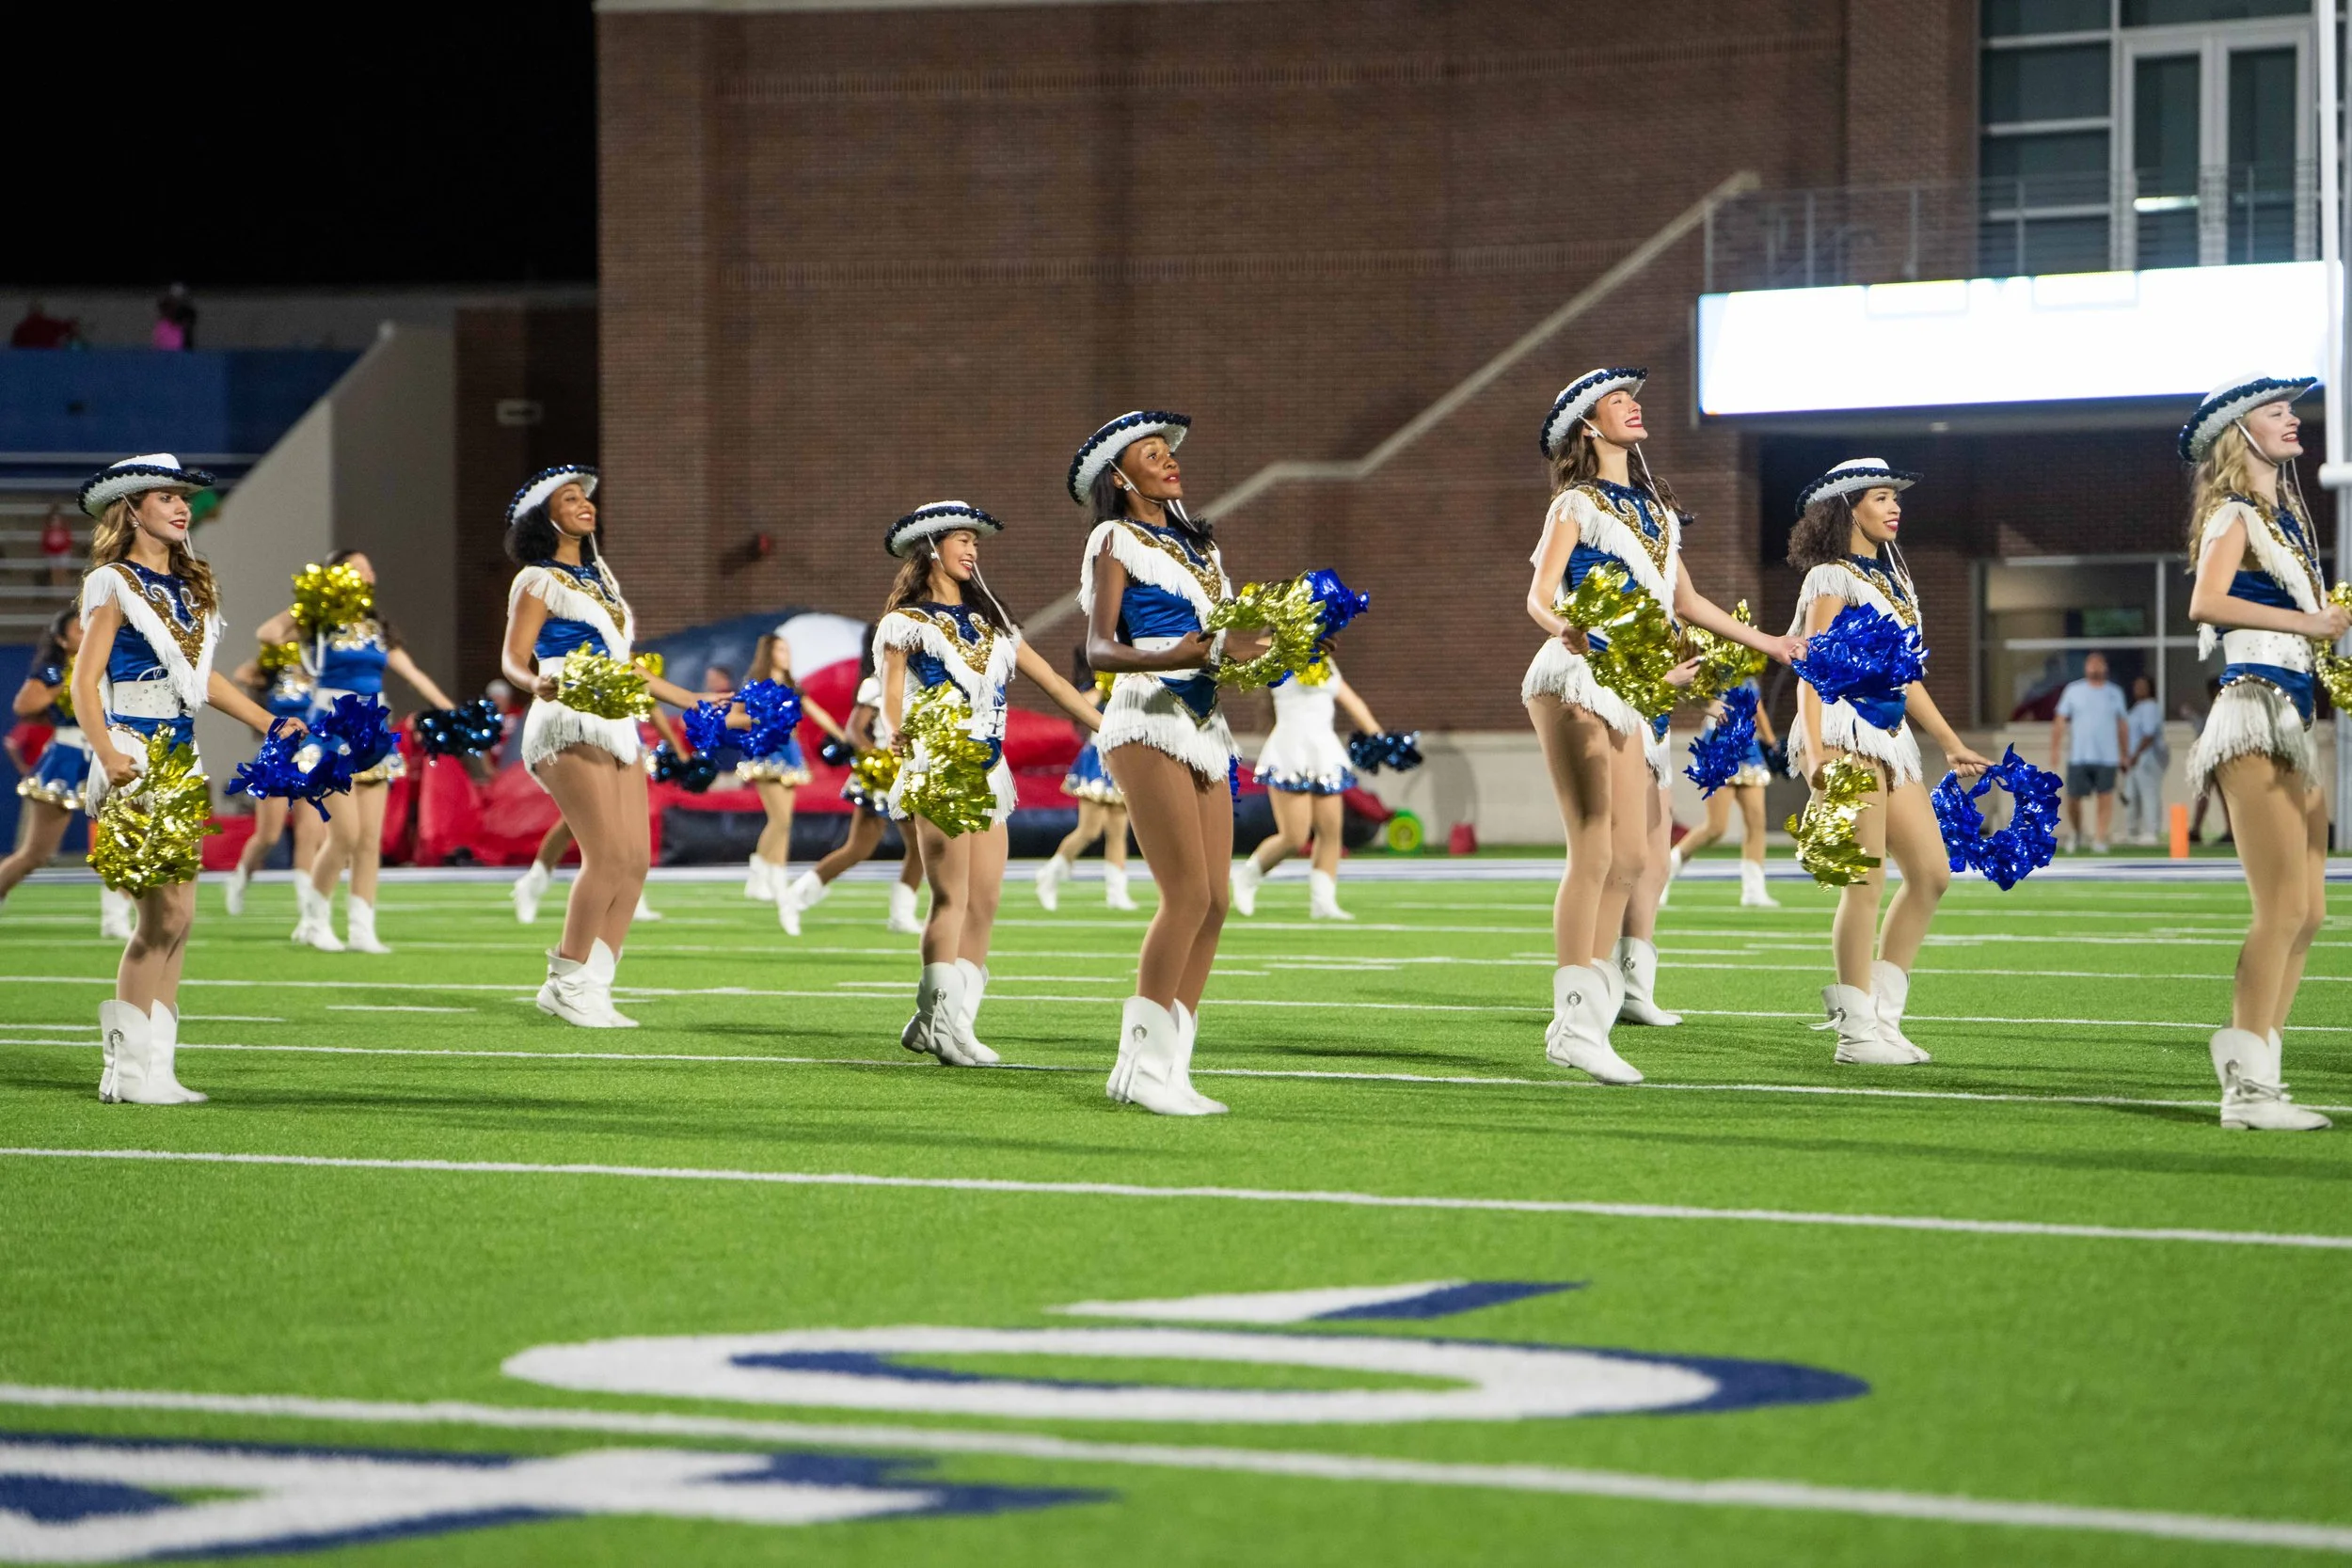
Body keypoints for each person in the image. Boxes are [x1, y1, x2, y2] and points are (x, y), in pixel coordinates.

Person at [1523, 369, 1801, 1085]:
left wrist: (1769, 643)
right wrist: (1565, 629)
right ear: (1589, 425)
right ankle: (1574, 1020)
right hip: (1579, 673)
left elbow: (1688, 602)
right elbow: (1539, 594)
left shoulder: (1656, 511)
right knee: (1595, 849)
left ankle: (1591, 1016)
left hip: (1636, 685)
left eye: (1634, 397)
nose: (1634, 405)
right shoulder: (1576, 503)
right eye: (1618, 400)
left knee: (1633, 858)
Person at [70, 454, 295, 1103]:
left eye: (183, 498)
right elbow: (84, 680)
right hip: (135, 753)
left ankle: (155, 1069)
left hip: (181, 753)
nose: (180, 507)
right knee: (160, 916)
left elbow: (201, 679)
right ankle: (126, 1071)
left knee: (182, 918)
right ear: (131, 508)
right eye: (165, 496)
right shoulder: (113, 581)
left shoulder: (191, 587)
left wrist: (268, 720)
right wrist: (107, 750)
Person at [1073, 410, 1278, 1116]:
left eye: (1170, 452)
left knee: (1216, 900)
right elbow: (1098, 648)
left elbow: (1223, 644)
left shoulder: (1202, 549)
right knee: (1185, 894)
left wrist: (1279, 642)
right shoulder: (1113, 538)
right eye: (1152, 454)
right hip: (1145, 713)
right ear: (1120, 475)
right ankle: (1136, 1065)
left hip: (1204, 720)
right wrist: (1177, 652)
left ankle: (1170, 1065)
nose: (1168, 461)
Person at [877, 502, 1101, 1066]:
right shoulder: (906, 622)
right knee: (951, 898)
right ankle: (939, 1023)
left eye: (975, 541)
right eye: (962, 539)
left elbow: (1053, 681)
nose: (972, 550)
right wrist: (896, 731)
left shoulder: (992, 621)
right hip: (940, 766)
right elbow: (892, 691)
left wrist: (1109, 726)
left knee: (985, 901)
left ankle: (950, 1021)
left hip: (989, 770)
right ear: (932, 548)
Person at [2178, 375, 2344, 1131]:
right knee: (2278, 908)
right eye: (2277, 412)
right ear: (2240, 433)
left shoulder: (2283, 518)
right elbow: (2205, 603)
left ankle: (2264, 1073)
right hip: (2253, 714)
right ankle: (2244, 1091)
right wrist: (2312, 624)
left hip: (2295, 718)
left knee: (2308, 911)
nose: (2293, 419)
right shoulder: (2233, 512)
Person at [501, 465, 721, 1027]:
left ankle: (594, 984)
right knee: (605, 857)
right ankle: (565, 979)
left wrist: (692, 699)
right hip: (568, 715)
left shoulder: (600, 579)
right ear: (544, 517)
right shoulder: (536, 579)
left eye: (586, 498)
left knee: (636, 861)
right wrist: (533, 682)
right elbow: (513, 657)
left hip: (617, 718)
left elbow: (626, 667)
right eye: (569, 498)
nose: (585, 504)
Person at [1787, 460, 1992, 1065]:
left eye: (1895, 497)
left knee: (1931, 873)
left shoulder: (1893, 578)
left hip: (1890, 735)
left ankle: (1882, 1017)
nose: (1895, 506)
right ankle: (1855, 1034)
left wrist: (1950, 742)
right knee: (1865, 880)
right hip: (1843, 729)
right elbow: (1810, 662)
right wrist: (1816, 751)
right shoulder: (1830, 576)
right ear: (1848, 507)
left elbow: (1905, 677)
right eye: (1880, 497)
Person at [259, 550, 459, 954]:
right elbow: (268, 633)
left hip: (373, 731)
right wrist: (313, 601)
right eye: (357, 566)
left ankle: (361, 928)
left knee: (369, 839)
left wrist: (451, 712)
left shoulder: (375, 627)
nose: (368, 571)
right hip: (330, 729)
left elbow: (413, 673)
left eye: (369, 566)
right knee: (345, 835)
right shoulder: (318, 622)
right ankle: (314, 920)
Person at [783, 637, 928, 933]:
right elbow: (854, 730)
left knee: (907, 847)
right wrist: (878, 763)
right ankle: (797, 895)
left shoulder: (922, 681)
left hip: (910, 771)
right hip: (885, 776)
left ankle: (900, 914)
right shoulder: (877, 683)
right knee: (879, 847)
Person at [1231, 660, 1385, 922]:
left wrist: (1380, 739)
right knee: (1295, 837)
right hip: (1291, 751)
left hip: (1323, 751)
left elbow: (1353, 702)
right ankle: (1247, 875)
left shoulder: (1326, 660)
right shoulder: (1281, 652)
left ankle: (1323, 902)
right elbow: (1252, 656)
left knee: (1331, 831)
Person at [741, 631, 848, 935]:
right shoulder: (756, 684)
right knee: (780, 820)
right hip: (767, 751)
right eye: (780, 650)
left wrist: (843, 736)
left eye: (787, 650)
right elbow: (746, 717)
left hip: (790, 753)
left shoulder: (792, 685)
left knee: (785, 823)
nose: (785, 655)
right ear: (768, 653)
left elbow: (816, 713)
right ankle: (758, 873)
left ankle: (776, 879)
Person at [0, 610, 97, 912]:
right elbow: (24, 705)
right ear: (61, 640)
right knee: (36, 854)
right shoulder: (55, 671)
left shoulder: (109, 663)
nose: (87, 633)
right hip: (67, 754)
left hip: (107, 754)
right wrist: (69, 682)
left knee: (120, 843)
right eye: (79, 630)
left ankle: (118, 918)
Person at [221, 635, 323, 916]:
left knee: (309, 834)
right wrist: (273, 657)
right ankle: (240, 878)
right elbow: (242, 674)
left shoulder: (320, 667)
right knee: (269, 835)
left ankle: (307, 906)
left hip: (311, 757)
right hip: (277, 757)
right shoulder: (276, 670)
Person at [1662, 676, 1782, 909]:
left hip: (1748, 748)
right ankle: (1664, 870)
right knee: (1716, 827)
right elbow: (1700, 699)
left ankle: (1754, 890)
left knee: (1756, 821)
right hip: (1719, 745)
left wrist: (1771, 742)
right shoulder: (1713, 668)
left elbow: (1757, 708)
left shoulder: (1749, 672)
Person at [1034, 649, 1139, 913]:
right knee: (1090, 830)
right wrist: (1104, 685)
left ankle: (1117, 892)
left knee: (1118, 829)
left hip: (1124, 755)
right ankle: (1049, 873)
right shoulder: (1095, 683)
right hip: (1099, 755)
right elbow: (1083, 704)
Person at [2050, 652, 2129, 853]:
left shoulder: (2115, 692)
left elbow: (2122, 724)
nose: (2095, 667)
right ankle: (2077, 833)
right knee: (2073, 798)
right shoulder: (2073, 690)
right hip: (2079, 755)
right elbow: (2060, 721)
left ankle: (2100, 838)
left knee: (2105, 797)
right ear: (2085, 667)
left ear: (2105, 667)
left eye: (2099, 663)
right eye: (2091, 663)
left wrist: (2124, 753)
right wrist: (2055, 749)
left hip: (2107, 756)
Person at [2122, 673, 2169, 847]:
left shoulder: (2150, 707)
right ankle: (2132, 831)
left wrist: (2135, 755)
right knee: (2131, 795)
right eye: (2136, 686)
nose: (2138, 689)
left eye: (2142, 686)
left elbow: (2148, 734)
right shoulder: (2136, 708)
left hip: (2147, 757)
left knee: (2149, 794)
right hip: (2132, 759)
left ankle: (2152, 831)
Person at [41, 506, 77, 590]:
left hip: (63, 553)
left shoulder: (64, 530)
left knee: (63, 572)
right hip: (52, 553)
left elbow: (69, 541)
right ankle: (56, 589)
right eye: (53, 520)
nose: (55, 522)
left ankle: (63, 588)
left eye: (57, 520)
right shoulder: (47, 531)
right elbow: (44, 542)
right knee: (54, 573)